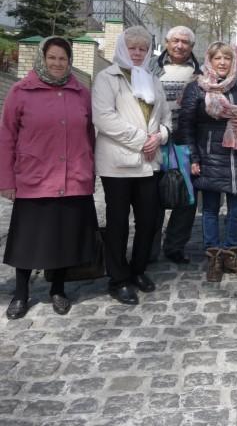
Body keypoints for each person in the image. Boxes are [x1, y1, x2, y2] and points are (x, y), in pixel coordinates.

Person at [0, 37, 97, 319]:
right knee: (28, 239)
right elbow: (6, 137)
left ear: (70, 61)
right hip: (35, 178)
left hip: (73, 178)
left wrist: (89, 171)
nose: (57, 63)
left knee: (63, 238)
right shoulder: (21, 91)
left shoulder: (80, 93)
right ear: (42, 59)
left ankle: (58, 289)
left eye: (62, 58)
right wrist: (6, 180)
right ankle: (21, 293)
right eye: (52, 57)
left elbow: (89, 135)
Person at [93, 26, 171, 305]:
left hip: (148, 163)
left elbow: (166, 118)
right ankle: (118, 278)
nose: (137, 53)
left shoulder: (153, 80)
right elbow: (104, 118)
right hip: (118, 164)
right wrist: (142, 140)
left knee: (148, 221)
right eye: (132, 48)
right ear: (122, 49)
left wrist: (160, 136)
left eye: (143, 48)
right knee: (118, 223)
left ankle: (137, 269)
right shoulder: (107, 78)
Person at [179, 42, 237, 282]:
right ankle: (214, 256)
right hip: (209, 155)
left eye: (227, 58)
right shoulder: (197, 87)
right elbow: (186, 126)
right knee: (211, 208)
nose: (222, 62)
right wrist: (193, 157)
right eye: (217, 58)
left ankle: (231, 254)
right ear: (209, 60)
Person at [148, 25, 202, 265]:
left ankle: (175, 246)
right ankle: (149, 248)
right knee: (153, 198)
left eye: (185, 42)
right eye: (175, 41)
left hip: (185, 141)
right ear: (167, 42)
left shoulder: (199, 73)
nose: (180, 46)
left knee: (186, 197)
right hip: (155, 139)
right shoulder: (151, 68)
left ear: (191, 47)